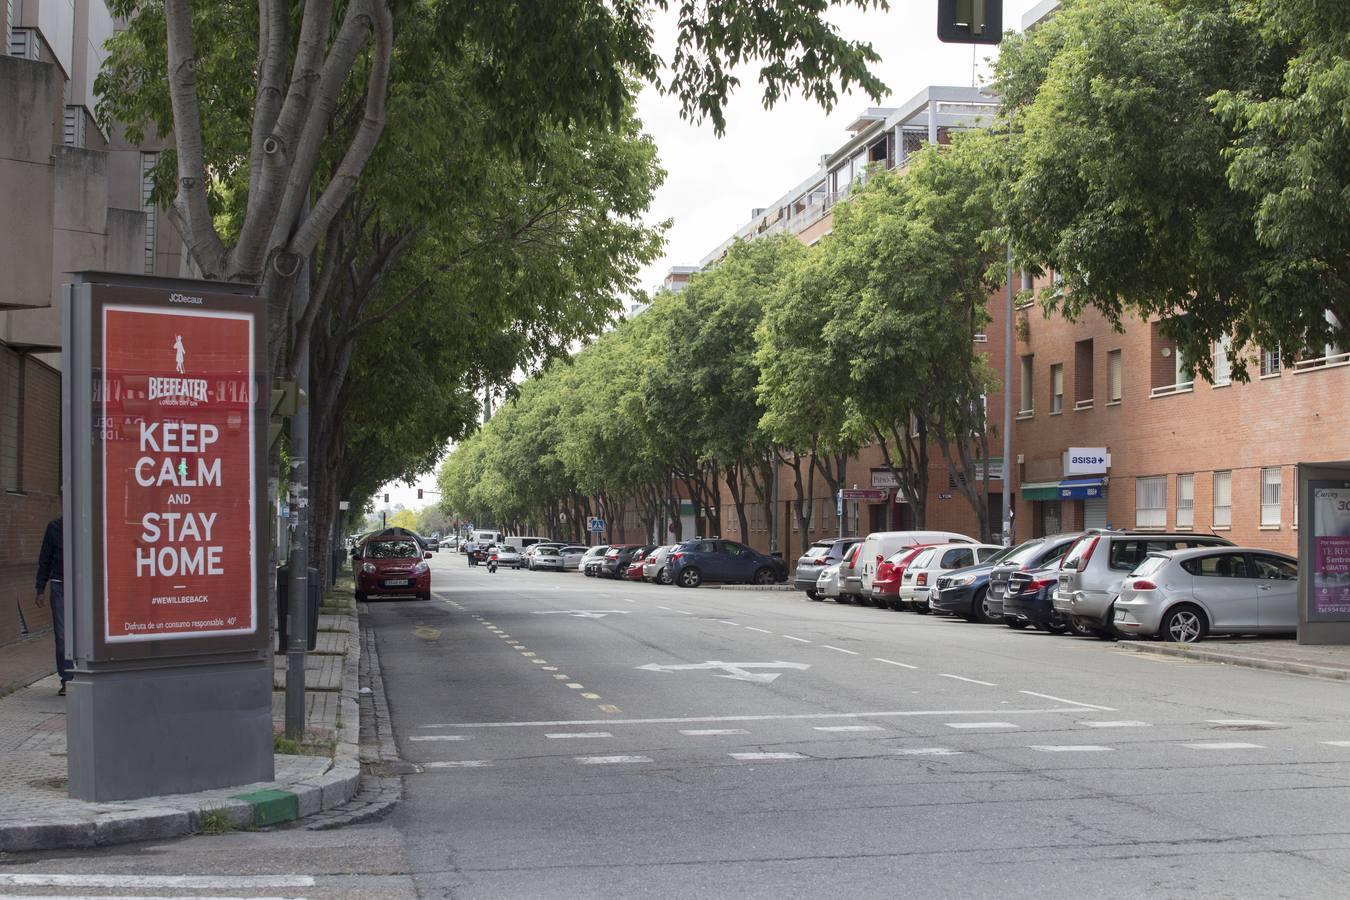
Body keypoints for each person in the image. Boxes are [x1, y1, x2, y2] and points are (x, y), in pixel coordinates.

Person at [35, 515, 69, 696]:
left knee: (82, 635)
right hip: (60, 585)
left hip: (83, 586)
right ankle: (67, 679)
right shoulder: (54, 527)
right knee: (62, 635)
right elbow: (45, 558)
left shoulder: (87, 525)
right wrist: (40, 588)